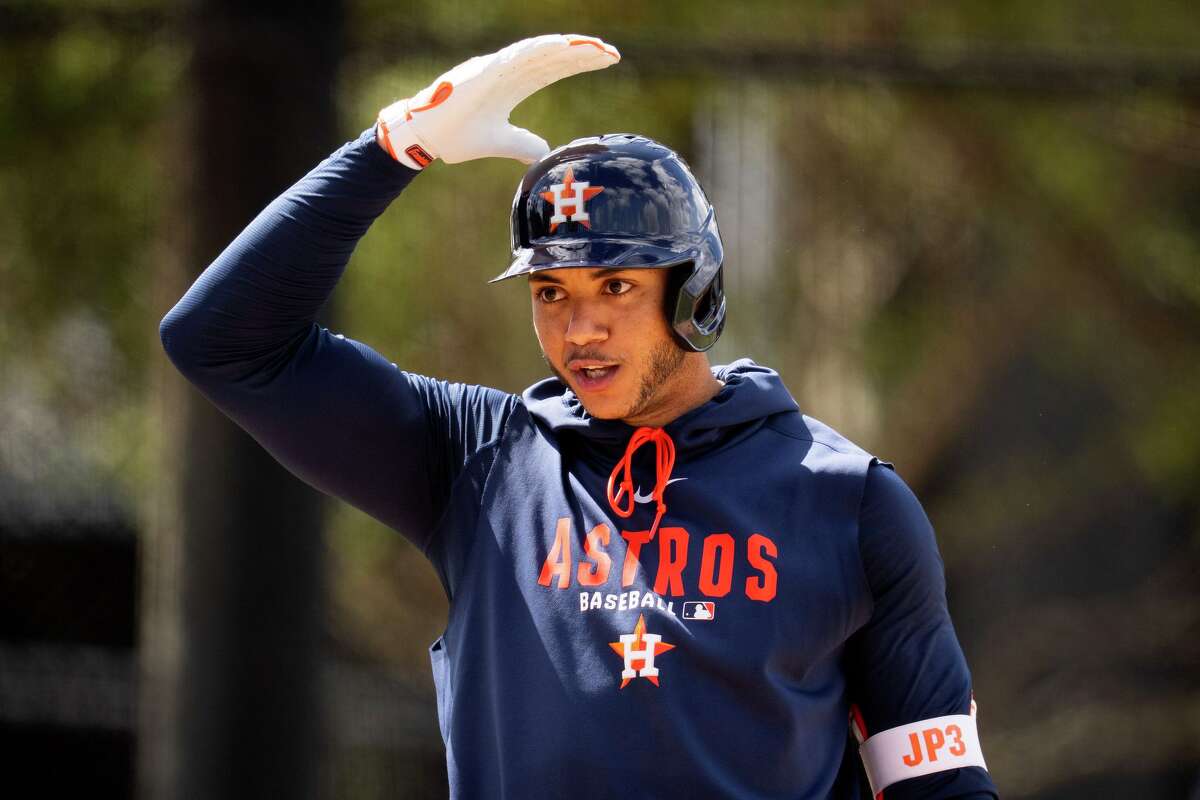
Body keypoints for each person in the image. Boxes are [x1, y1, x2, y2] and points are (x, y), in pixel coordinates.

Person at [160, 34, 999, 800]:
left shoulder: (848, 501)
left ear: (695, 293)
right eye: (550, 292)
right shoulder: (475, 460)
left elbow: (940, 784)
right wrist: (394, 146)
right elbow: (221, 341)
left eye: (617, 288)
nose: (580, 328)